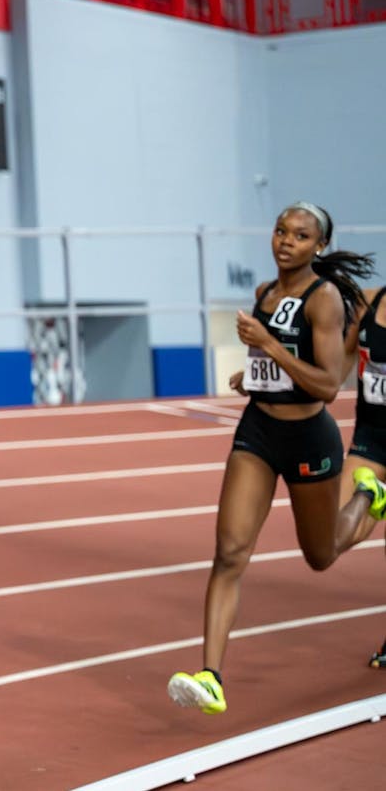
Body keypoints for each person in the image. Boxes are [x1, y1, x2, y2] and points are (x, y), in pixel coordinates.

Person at [168, 201, 375, 714]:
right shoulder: (265, 291)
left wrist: (269, 347)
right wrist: (253, 375)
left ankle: (370, 495)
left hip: (309, 439)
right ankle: (211, 676)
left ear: (318, 246)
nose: (286, 241)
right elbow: (275, 365)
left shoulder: (322, 299)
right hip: (259, 432)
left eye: (300, 236)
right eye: (281, 231)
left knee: (320, 556)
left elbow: (328, 384)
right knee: (230, 552)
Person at [336, 281, 386, 668]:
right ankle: (374, 493)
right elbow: (336, 369)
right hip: (370, 439)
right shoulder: (369, 302)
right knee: (334, 537)